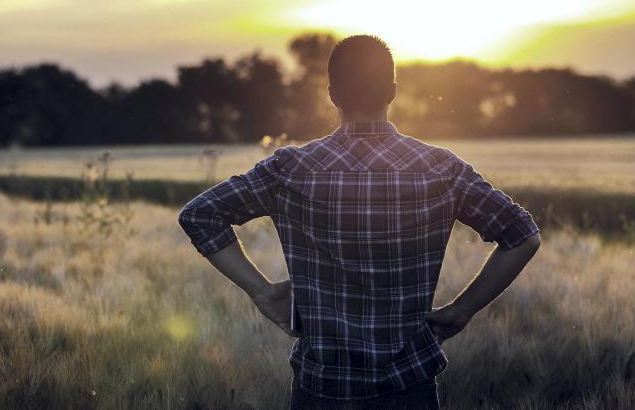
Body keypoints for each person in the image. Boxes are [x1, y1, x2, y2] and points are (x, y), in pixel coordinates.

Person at [178, 34, 541, 409]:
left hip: (321, 387)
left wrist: (263, 291)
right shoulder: (441, 169)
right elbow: (523, 236)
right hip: (409, 385)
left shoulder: (290, 170)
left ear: (332, 94)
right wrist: (461, 311)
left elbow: (199, 215)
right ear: (393, 92)